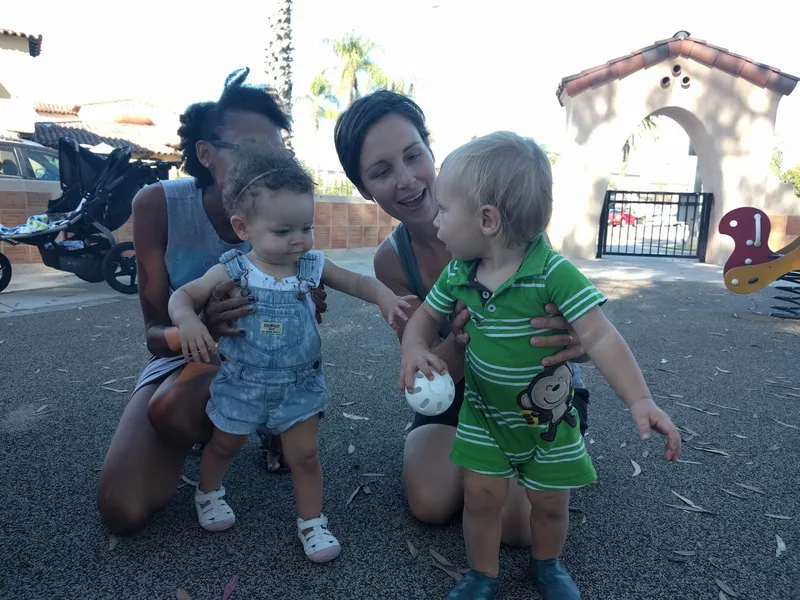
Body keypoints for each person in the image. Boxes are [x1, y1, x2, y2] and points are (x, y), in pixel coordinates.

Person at [399, 131, 682, 599]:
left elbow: (601, 336)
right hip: (485, 417)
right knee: (481, 500)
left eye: (445, 211)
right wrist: (414, 349)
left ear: (487, 220)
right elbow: (425, 318)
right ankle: (482, 574)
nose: (436, 220)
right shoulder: (459, 273)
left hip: (549, 421)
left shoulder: (554, 273)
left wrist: (641, 398)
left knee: (549, 506)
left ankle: (548, 564)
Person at [333, 91, 590, 545]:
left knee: (518, 530)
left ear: (431, 151)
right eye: (381, 171)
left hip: (528, 393)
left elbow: (573, 313)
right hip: (457, 399)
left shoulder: (505, 221)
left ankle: (542, 456)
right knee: (431, 504)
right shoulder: (392, 263)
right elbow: (426, 373)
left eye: (414, 155)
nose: (408, 179)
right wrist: (457, 336)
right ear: (363, 188)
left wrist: (579, 340)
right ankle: (495, 468)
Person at [96, 69, 326, 534]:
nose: (266, 165)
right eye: (250, 150)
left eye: (276, 152)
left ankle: (271, 428)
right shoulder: (157, 205)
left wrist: (307, 306)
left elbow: (316, 298)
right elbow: (154, 336)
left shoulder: (286, 223)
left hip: (273, 364)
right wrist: (202, 325)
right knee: (125, 506)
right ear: (205, 153)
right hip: (191, 359)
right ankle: (218, 434)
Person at [168, 142, 414, 561]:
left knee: (305, 456)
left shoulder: (311, 267)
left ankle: (312, 522)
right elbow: (183, 297)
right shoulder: (233, 268)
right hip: (241, 382)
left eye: (306, 227)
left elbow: (357, 282)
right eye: (283, 232)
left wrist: (386, 298)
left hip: (298, 385)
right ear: (244, 228)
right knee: (224, 444)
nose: (298, 240)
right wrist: (189, 321)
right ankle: (209, 493)